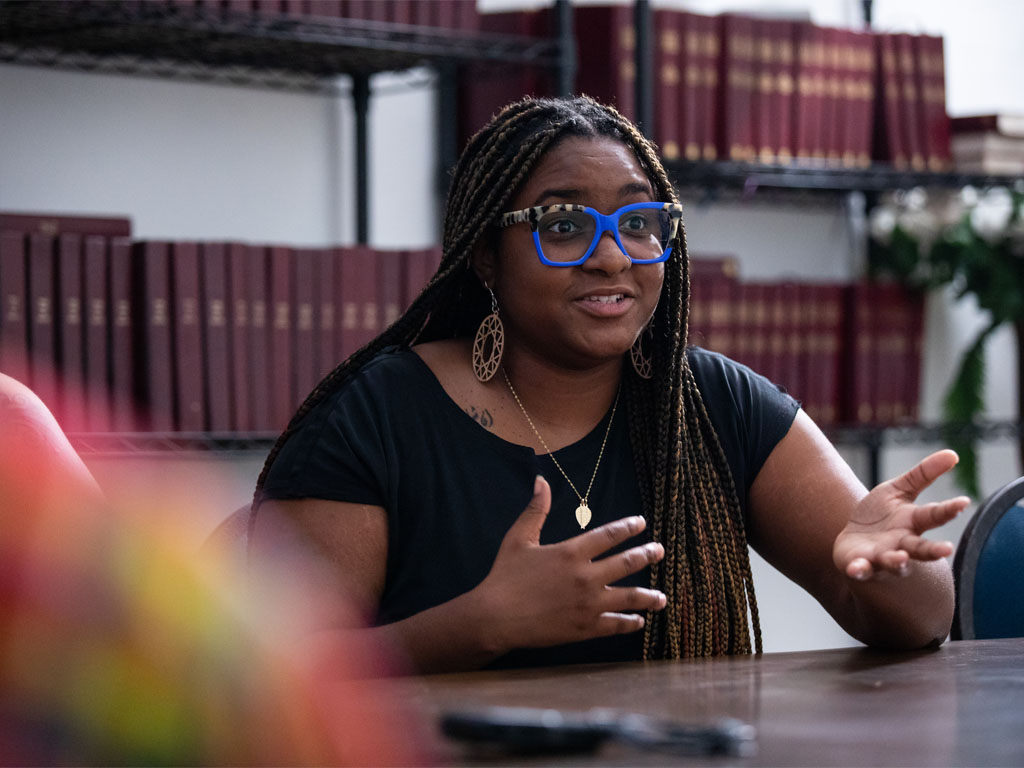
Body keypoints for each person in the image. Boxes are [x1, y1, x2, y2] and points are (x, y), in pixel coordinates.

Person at [249, 96, 969, 673]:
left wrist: (886, 573)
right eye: (563, 225)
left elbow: (928, 619)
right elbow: (278, 679)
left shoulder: (713, 403)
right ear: (487, 259)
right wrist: (479, 625)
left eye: (638, 222)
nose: (611, 257)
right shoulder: (375, 416)